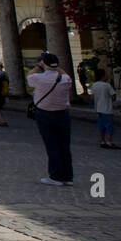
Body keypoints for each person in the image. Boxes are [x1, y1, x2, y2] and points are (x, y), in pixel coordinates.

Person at [27, 52, 74, 185]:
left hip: (45, 114)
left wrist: (39, 65)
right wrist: (56, 67)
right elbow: (65, 74)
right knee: (64, 146)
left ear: (44, 63)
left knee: (52, 145)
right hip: (63, 115)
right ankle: (67, 176)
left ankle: (55, 176)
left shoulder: (39, 78)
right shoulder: (65, 79)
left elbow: (29, 75)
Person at [90, 68, 121, 149]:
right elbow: (113, 96)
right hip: (107, 109)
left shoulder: (94, 85)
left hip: (98, 108)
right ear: (103, 76)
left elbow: (92, 97)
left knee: (101, 126)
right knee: (109, 126)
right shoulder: (107, 85)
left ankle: (102, 141)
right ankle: (110, 141)